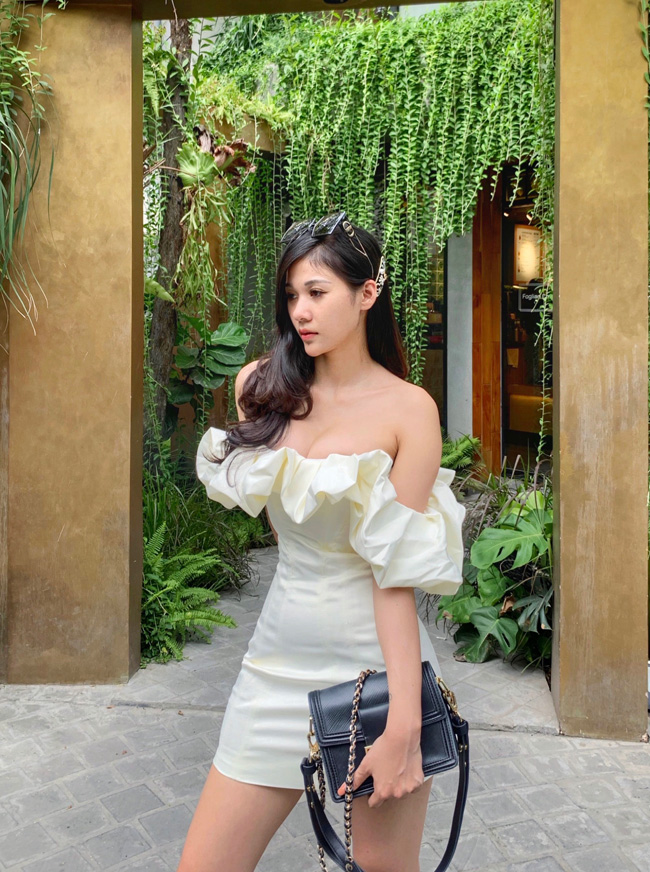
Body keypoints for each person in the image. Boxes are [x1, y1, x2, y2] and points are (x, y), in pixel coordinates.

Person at [177, 211, 466, 872]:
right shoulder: (260, 387)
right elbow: (286, 529)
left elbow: (393, 575)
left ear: (367, 294)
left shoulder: (409, 410)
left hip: (377, 679)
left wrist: (404, 723)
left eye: (317, 292)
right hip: (275, 666)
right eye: (291, 295)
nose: (300, 311)